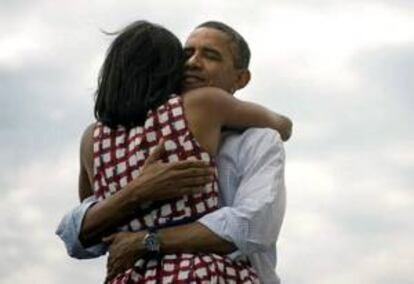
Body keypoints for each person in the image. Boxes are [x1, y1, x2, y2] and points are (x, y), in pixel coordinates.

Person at [57, 20, 289, 283]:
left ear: (240, 78)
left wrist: (146, 240)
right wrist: (137, 192)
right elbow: (81, 232)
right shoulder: (196, 111)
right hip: (203, 274)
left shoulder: (258, 142)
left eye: (210, 55)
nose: (192, 63)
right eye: (186, 54)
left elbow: (252, 227)